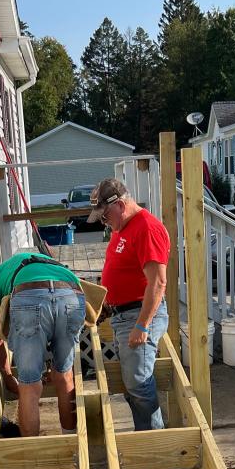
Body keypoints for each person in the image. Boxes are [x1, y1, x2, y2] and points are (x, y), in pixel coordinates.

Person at [89, 178, 170, 430]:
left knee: (138, 381)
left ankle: (154, 443)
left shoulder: (146, 228)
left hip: (138, 315)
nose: (104, 222)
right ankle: (144, 436)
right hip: (123, 315)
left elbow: (157, 282)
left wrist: (143, 326)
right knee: (132, 382)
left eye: (105, 216)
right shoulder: (122, 228)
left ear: (121, 205)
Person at [0, 249, 86, 443]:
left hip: (28, 296)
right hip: (71, 292)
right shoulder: (50, 264)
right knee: (65, 376)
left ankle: (35, 464)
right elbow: (52, 304)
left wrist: (8, 376)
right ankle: (72, 447)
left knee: (29, 385)